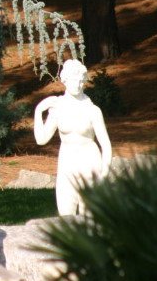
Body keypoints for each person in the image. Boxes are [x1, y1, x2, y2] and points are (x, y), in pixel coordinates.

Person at [33, 59, 112, 215]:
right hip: (67, 163)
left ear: (83, 81)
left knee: (89, 219)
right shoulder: (58, 107)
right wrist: (39, 111)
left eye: (79, 81)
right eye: (72, 80)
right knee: (66, 214)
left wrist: (104, 173)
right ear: (65, 81)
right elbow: (41, 139)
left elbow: (106, 145)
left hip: (90, 162)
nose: (76, 84)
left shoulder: (92, 110)